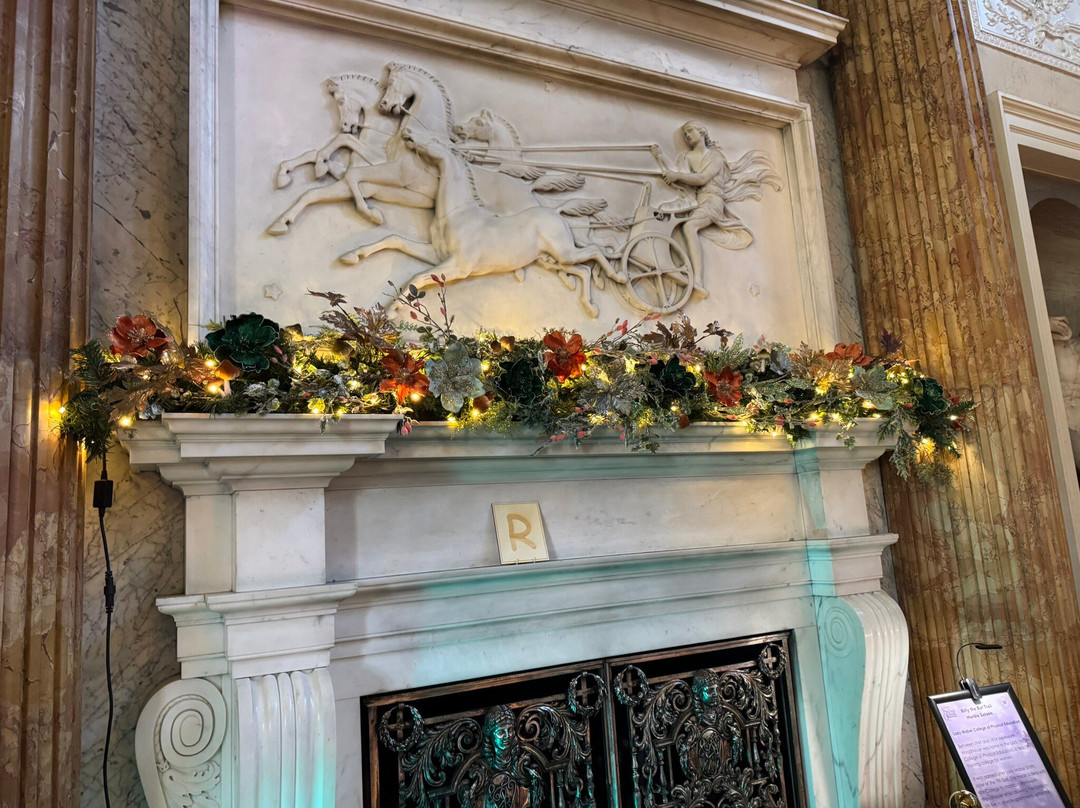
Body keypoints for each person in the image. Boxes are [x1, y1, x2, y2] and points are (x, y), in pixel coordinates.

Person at [651, 121, 781, 298]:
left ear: (702, 132)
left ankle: (698, 280)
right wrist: (661, 157)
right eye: (685, 134)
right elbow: (679, 175)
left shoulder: (715, 156)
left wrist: (677, 176)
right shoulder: (688, 157)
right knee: (672, 220)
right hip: (696, 201)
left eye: (690, 131)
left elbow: (702, 178)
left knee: (689, 227)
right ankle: (679, 268)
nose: (687, 136)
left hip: (713, 200)